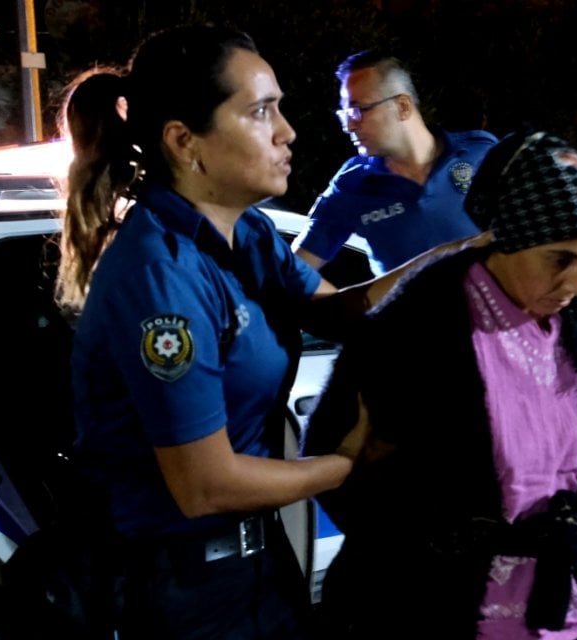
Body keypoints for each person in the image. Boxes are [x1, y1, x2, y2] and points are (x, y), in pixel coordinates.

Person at [57, 24, 382, 639]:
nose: (287, 131)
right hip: (177, 593)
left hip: (253, 565)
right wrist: (346, 464)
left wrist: (466, 261)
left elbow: (340, 311)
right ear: (185, 141)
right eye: (262, 112)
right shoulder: (160, 273)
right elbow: (205, 486)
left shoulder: (247, 234)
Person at [303, 130, 577, 639]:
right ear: (506, 238)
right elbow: (337, 456)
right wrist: (431, 544)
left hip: (560, 600)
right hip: (437, 606)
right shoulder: (419, 321)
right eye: (560, 259)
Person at [292, 50, 498, 274]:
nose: (349, 126)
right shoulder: (352, 184)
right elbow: (294, 273)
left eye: (359, 111)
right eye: (346, 115)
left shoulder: (480, 151)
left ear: (402, 106)